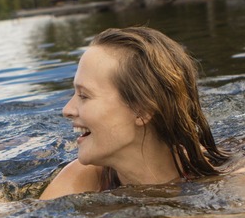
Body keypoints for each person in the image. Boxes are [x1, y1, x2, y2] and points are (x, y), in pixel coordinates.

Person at [40, 26, 229, 199]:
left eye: (84, 95)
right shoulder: (82, 178)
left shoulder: (227, 184)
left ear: (142, 110)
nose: (67, 110)